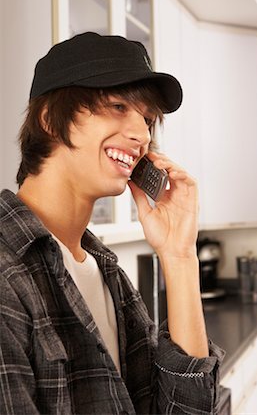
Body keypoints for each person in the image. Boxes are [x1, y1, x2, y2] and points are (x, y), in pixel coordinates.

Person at [0, 32, 224, 414]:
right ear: (50, 120)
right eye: (118, 105)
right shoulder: (7, 274)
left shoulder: (105, 272)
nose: (142, 135)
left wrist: (180, 256)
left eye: (148, 119)